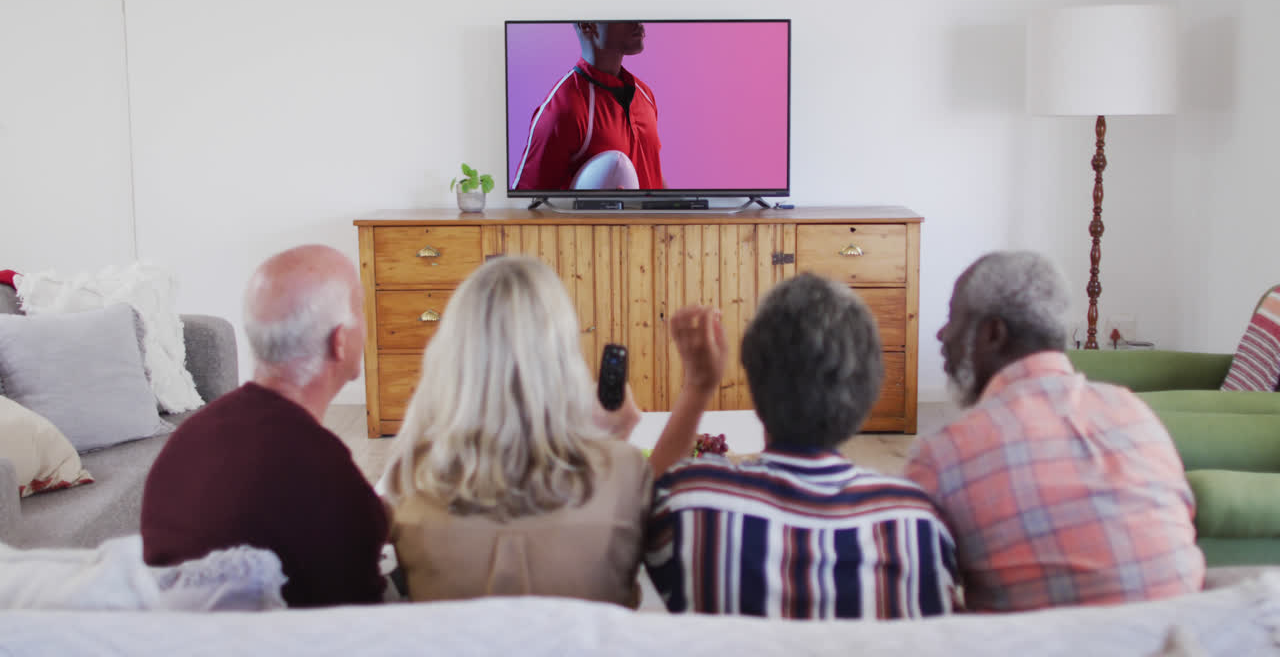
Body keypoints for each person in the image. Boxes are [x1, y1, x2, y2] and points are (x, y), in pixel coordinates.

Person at [382, 255, 715, 606]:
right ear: (562, 357)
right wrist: (695, 389)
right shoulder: (622, 471)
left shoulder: (407, 480)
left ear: (452, 355)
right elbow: (637, 511)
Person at [645, 273, 960, 619]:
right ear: (869, 392)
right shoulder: (918, 525)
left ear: (752, 378)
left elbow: (641, 510)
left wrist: (698, 385)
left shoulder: (691, 506)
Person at [905, 251, 1205, 612]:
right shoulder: (1135, 414)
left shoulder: (945, 456)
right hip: (1183, 639)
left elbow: (914, 598)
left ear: (992, 333)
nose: (942, 334)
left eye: (953, 318)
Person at [141, 245, 387, 607]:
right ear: (341, 340)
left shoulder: (188, 439)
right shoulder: (324, 474)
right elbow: (362, 621)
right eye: (362, 310)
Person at [511, 21, 664, 192]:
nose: (638, 21)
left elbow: (652, 173)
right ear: (586, 25)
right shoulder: (563, 110)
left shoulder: (645, 94)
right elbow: (527, 202)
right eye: (623, 15)